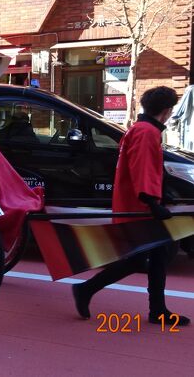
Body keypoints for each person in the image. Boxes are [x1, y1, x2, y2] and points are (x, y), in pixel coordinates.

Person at [71, 86, 190, 327]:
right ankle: (86, 289)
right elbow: (142, 169)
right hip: (140, 206)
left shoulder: (139, 128)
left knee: (160, 255)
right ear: (167, 111)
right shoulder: (147, 132)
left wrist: (162, 192)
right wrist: (152, 201)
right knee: (139, 260)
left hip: (138, 202)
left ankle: (158, 310)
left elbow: (144, 167)